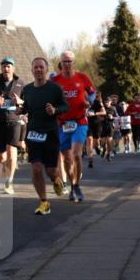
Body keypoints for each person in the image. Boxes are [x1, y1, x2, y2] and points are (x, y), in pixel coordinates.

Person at [21, 58, 69, 215]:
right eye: (35, 67)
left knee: (51, 171)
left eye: (41, 67)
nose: (38, 70)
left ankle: (56, 180)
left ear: (46, 69)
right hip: (33, 134)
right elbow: (26, 107)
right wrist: (19, 110)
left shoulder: (55, 89)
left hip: (50, 134)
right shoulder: (27, 89)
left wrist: (55, 110)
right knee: (36, 168)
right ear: (32, 70)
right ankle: (44, 202)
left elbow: (65, 106)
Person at [50, 50, 94, 203]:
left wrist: (90, 102)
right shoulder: (55, 81)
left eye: (69, 61)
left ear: (74, 63)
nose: (67, 64)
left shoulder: (82, 78)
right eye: (64, 61)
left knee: (76, 154)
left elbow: (92, 93)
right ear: (60, 63)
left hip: (80, 121)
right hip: (62, 124)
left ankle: (77, 185)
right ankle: (71, 182)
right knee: (67, 159)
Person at [0, 57, 26, 195]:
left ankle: (10, 182)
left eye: (9, 66)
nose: (6, 68)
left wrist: (20, 101)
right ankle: (5, 166)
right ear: (1, 68)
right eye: (4, 66)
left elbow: (27, 103)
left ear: (13, 68)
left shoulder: (20, 84)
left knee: (12, 152)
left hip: (14, 121)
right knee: (2, 158)